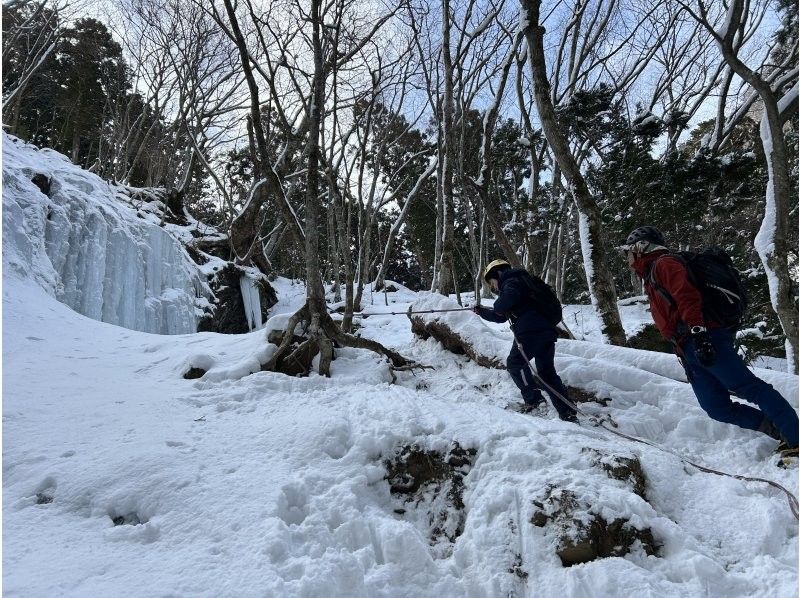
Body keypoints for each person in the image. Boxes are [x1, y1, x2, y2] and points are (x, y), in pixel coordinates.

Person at [620, 226, 798, 450]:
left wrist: (699, 334)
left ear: (642, 247)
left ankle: (795, 437)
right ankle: (780, 430)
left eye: (629, 250)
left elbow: (687, 297)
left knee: (749, 388)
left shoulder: (664, 264)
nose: (627, 257)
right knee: (716, 407)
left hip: (705, 337)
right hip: (687, 347)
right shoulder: (651, 273)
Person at [473, 259, 578, 423]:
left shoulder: (511, 281)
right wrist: (481, 312)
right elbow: (501, 316)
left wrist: (498, 303)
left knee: (515, 364)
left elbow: (502, 305)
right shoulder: (524, 282)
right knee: (546, 373)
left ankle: (534, 401)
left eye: (491, 282)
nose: (493, 287)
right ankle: (567, 412)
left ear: (497, 274)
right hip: (546, 331)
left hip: (529, 332)